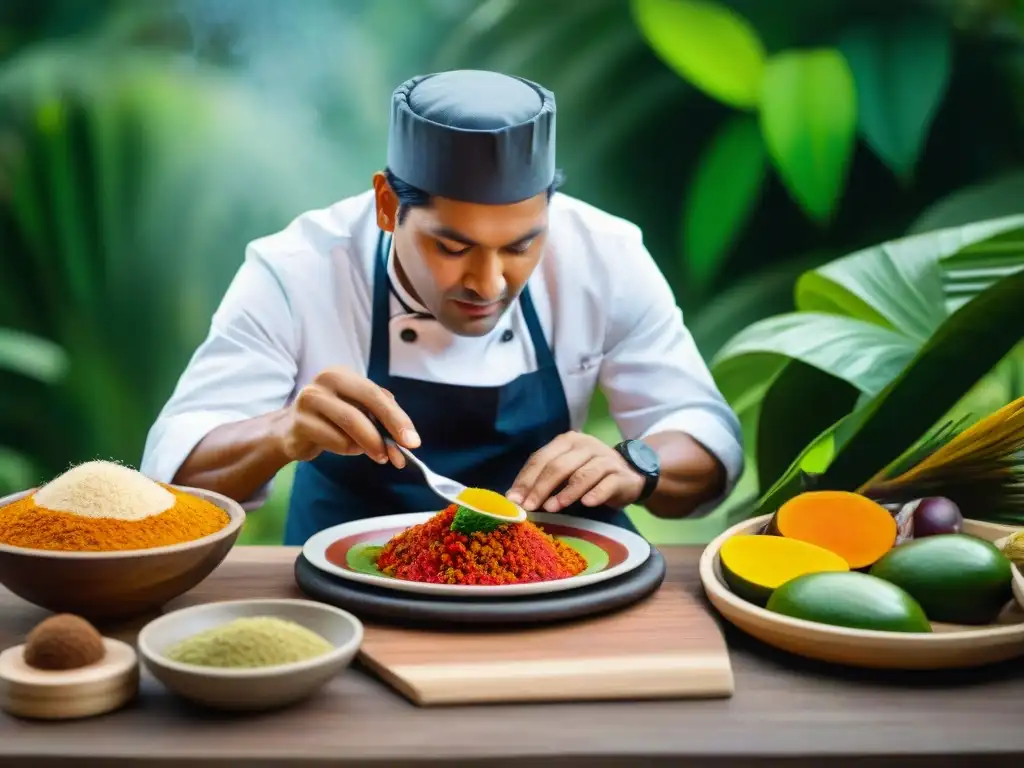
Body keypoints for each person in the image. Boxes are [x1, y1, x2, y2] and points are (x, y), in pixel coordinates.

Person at [140, 69, 744, 545]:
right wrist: (282, 431)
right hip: (342, 581)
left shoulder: (605, 254)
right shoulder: (296, 269)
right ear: (386, 204)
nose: (488, 283)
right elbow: (170, 478)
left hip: (545, 574)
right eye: (452, 247)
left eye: (521, 245)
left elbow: (708, 435)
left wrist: (639, 465)